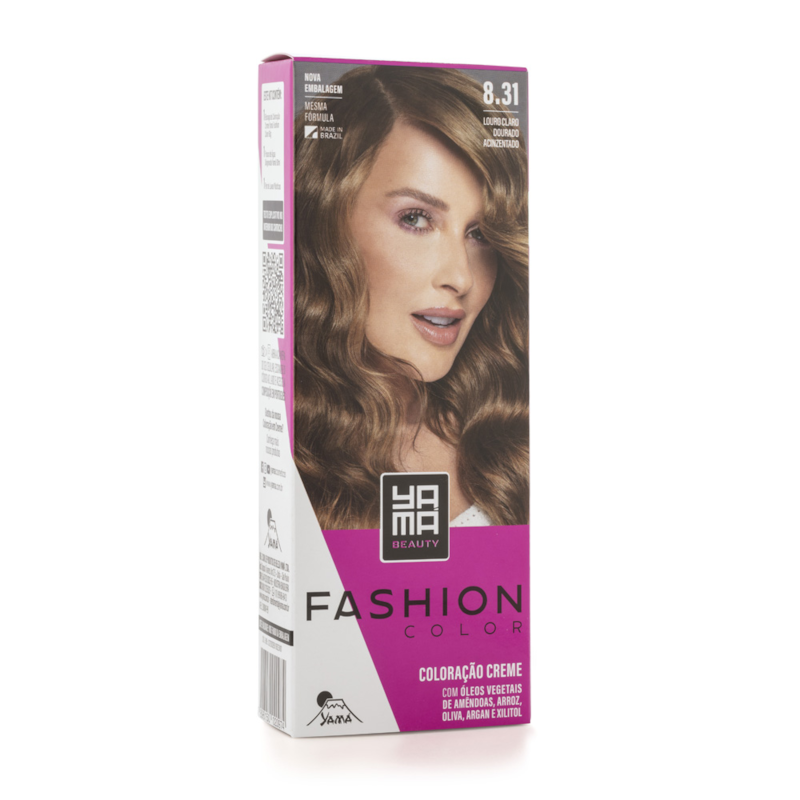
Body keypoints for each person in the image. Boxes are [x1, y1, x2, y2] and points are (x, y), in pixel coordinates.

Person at [294, 65, 528, 531]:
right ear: (326, 222)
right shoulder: (278, 452)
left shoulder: (517, 439)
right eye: (416, 219)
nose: (460, 277)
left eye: (481, 233)